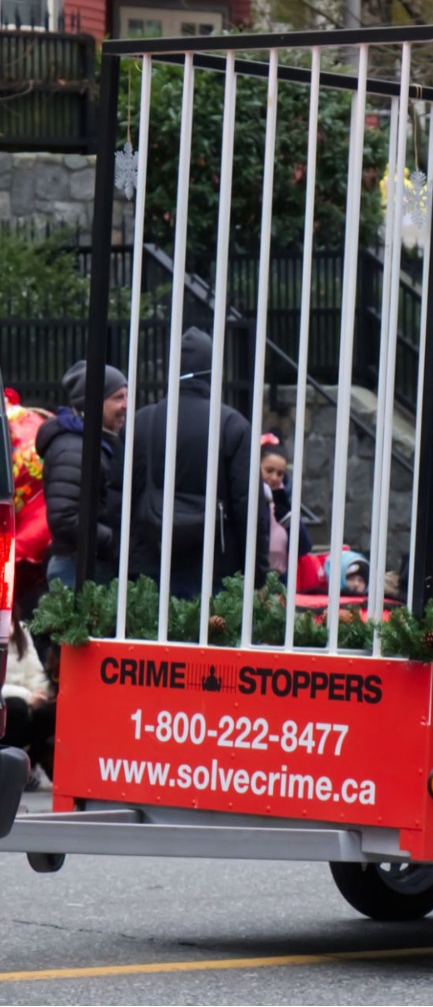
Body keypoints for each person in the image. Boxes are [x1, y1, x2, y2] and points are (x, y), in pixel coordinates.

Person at [129, 327, 268, 599]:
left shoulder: (141, 422)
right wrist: (257, 573)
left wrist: (129, 559)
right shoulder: (232, 424)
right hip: (216, 566)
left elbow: (120, 498)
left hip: (151, 565)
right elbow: (248, 505)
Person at [36, 360, 127, 588]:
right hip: (77, 568)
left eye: (126, 397)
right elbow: (65, 517)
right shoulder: (75, 448)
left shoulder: (98, 442)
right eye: (117, 398)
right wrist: (115, 540)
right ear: (93, 403)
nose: (126, 405)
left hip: (87, 564)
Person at [2, 620, 54, 791]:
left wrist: (43, 692)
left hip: (25, 698)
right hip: (10, 699)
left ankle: (28, 767)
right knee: (17, 708)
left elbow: (34, 672)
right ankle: (8, 769)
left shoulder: (20, 628)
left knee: (49, 712)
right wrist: (27, 695)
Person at [259, 432, 312, 579]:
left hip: (280, 578)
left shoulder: (285, 501)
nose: (274, 478)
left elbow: (304, 547)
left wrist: (287, 517)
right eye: (269, 471)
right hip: (252, 576)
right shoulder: (245, 497)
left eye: (280, 473)